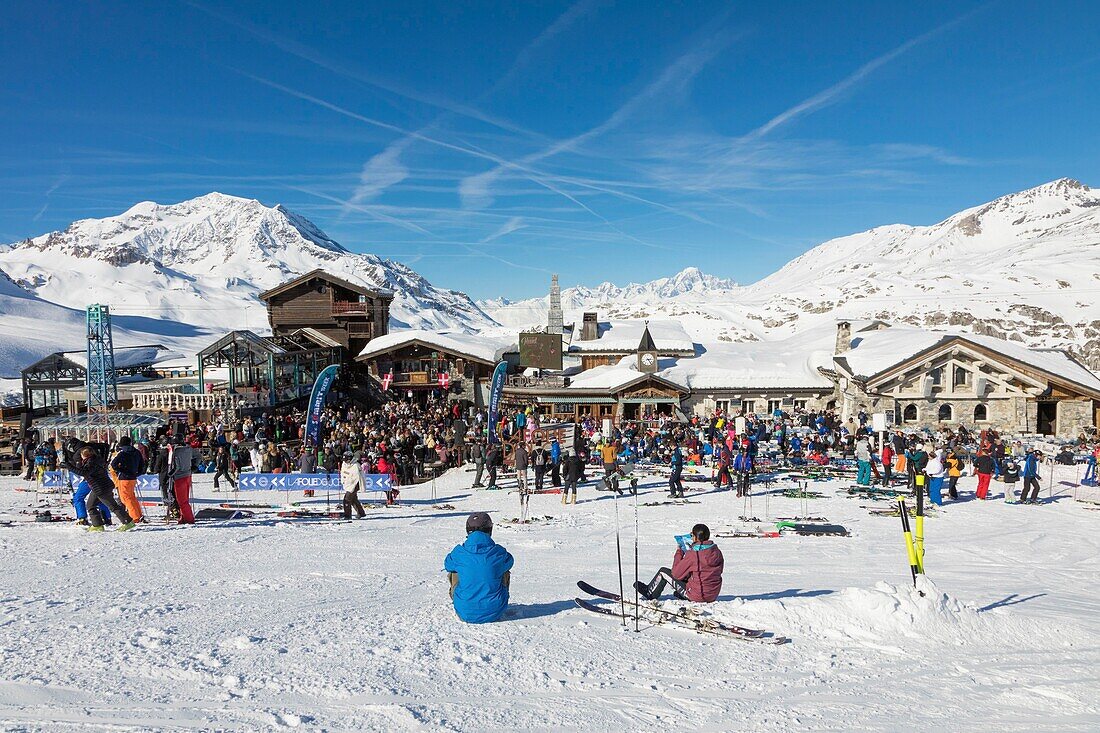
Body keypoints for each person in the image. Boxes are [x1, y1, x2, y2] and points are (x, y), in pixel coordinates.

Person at [444, 512, 514, 624]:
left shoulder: (459, 552)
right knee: (503, 570)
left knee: (455, 571)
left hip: (464, 612)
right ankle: (492, 601)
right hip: (496, 612)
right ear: (490, 530)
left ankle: (467, 601)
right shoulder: (499, 552)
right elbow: (510, 561)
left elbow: (447, 565)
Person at [635, 523, 723, 602]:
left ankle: (650, 592)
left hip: (698, 596)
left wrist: (679, 552)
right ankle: (685, 593)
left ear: (696, 537)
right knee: (688, 574)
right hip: (713, 594)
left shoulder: (694, 555)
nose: (691, 537)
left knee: (663, 572)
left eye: (692, 535)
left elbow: (676, 574)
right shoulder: (716, 552)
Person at [69, 445, 135, 532]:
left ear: (85, 455)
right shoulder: (93, 460)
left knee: (112, 506)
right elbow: (82, 470)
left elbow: (84, 472)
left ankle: (128, 522)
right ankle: (97, 525)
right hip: (98, 487)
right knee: (91, 505)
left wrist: (69, 466)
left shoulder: (92, 462)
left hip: (101, 488)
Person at [110, 436, 146, 523]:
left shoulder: (122, 453)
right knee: (131, 497)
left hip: (124, 478)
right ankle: (138, 514)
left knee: (125, 498)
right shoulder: (137, 452)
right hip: (133, 477)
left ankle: (134, 517)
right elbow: (142, 464)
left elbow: (113, 464)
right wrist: (137, 473)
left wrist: (121, 470)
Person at [166, 437, 197, 524]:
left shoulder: (177, 452)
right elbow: (198, 456)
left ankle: (189, 518)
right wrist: (195, 466)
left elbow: (177, 466)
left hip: (180, 477)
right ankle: (183, 517)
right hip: (188, 475)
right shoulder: (189, 448)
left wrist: (170, 473)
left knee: (181, 501)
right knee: (185, 499)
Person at [340, 451, 366, 519]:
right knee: (353, 499)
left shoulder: (356, 465)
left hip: (355, 484)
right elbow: (343, 473)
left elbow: (355, 478)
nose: (345, 461)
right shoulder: (344, 464)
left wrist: (350, 487)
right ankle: (361, 513)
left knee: (347, 500)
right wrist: (344, 481)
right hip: (348, 483)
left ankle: (347, 515)